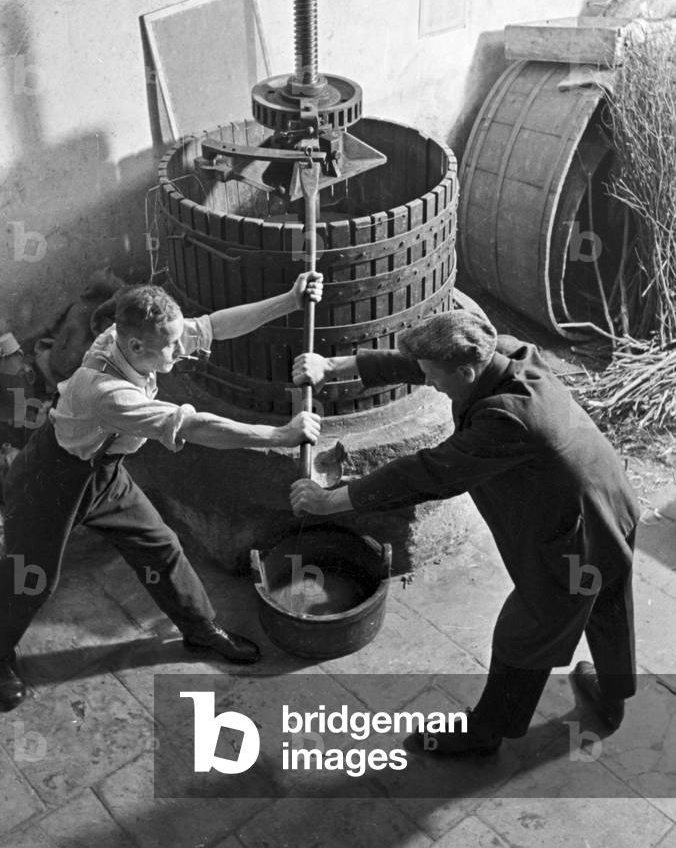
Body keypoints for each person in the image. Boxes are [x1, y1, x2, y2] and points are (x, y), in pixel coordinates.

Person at [289, 309, 639, 755]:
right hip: (613, 502)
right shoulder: (506, 350)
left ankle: (484, 734)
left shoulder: (509, 417)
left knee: (523, 631)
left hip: (575, 542)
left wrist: (330, 500)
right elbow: (421, 362)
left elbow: (428, 474)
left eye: (435, 377)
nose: (429, 382)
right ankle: (613, 697)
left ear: (467, 371)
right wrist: (334, 366)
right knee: (609, 601)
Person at [0, 273, 323, 712]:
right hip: (52, 479)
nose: (179, 350)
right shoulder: (105, 391)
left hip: (103, 472)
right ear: (134, 347)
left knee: (159, 544)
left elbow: (213, 327)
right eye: (170, 346)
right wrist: (279, 435)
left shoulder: (137, 335)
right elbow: (196, 426)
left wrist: (289, 299)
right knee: (31, 578)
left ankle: (200, 628)